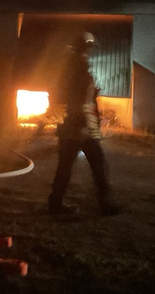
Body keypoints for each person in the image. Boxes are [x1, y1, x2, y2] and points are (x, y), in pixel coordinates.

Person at [47, 32, 123, 216]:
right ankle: (106, 204)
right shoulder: (77, 68)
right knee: (98, 164)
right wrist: (82, 123)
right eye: (88, 49)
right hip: (80, 126)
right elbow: (76, 99)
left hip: (75, 125)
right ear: (84, 48)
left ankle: (55, 202)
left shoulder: (73, 67)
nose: (89, 53)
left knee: (66, 165)